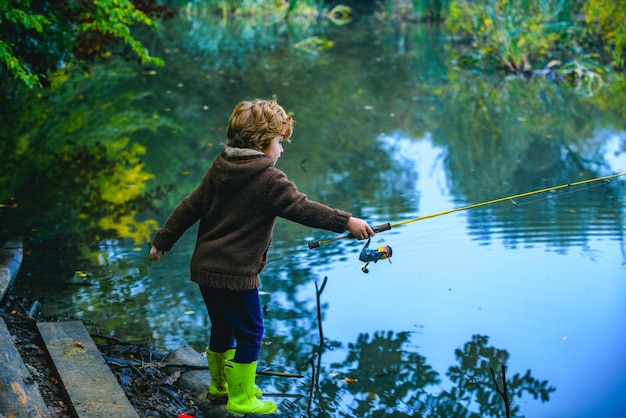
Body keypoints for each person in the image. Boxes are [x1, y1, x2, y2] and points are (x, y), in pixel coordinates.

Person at [149, 99, 374, 415]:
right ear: (261, 142)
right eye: (279, 142)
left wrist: (163, 240)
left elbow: (189, 206)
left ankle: (219, 387)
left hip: (204, 270)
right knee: (251, 333)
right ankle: (241, 398)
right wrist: (346, 221)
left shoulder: (220, 167)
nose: (281, 150)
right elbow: (303, 208)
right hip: (236, 274)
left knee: (222, 327)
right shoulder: (269, 179)